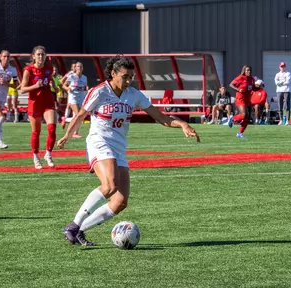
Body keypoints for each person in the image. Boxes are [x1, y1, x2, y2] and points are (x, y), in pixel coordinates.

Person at [59, 55, 200, 246]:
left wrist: (183, 124)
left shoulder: (133, 95)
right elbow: (81, 114)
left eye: (130, 77)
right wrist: (67, 135)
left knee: (120, 202)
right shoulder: (100, 91)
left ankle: (81, 230)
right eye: (124, 76)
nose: (128, 80)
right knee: (109, 185)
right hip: (99, 142)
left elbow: (160, 117)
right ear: (114, 73)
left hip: (118, 147)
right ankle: (74, 226)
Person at [20, 45, 58, 169]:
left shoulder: (49, 68)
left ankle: (48, 154)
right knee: (36, 132)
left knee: (52, 128)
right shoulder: (28, 70)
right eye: (38, 54)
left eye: (42, 54)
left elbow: (50, 78)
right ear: (33, 57)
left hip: (48, 101)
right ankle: (36, 156)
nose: (41, 56)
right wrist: (35, 86)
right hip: (35, 103)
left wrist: (54, 85)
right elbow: (22, 89)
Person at [62, 61, 88, 138]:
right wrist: (68, 88)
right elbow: (64, 85)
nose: (79, 68)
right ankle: (74, 132)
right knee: (78, 115)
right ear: (75, 68)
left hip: (81, 98)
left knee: (79, 116)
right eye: (78, 66)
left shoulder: (84, 77)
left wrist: (86, 89)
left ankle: (67, 121)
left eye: (81, 66)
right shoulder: (72, 76)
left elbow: (85, 87)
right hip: (73, 98)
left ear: (82, 68)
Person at [228, 65, 255, 138]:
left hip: (248, 99)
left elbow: (252, 88)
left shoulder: (252, 79)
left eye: (250, 70)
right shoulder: (240, 78)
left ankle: (240, 133)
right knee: (244, 115)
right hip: (240, 98)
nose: (249, 71)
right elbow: (231, 84)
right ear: (244, 71)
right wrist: (238, 89)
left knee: (248, 117)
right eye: (247, 70)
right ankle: (232, 118)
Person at [60, 62, 76, 128]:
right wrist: (67, 88)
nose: (76, 68)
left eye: (76, 66)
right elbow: (61, 81)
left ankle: (65, 119)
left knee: (70, 105)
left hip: (76, 92)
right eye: (74, 66)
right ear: (72, 67)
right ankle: (65, 119)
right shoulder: (70, 73)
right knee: (69, 105)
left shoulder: (78, 74)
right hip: (71, 91)